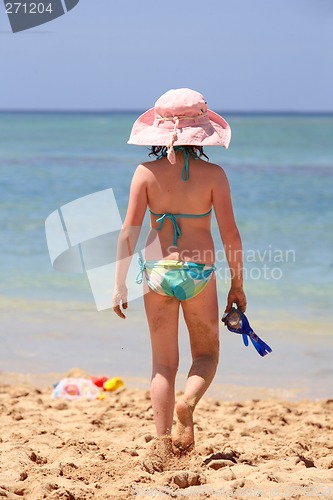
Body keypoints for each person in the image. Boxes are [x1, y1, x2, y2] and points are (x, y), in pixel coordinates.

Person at [112, 88, 246, 456]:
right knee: (206, 354)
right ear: (201, 131)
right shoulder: (215, 175)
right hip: (199, 271)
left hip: (156, 271)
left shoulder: (144, 173)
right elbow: (230, 234)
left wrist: (118, 284)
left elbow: (129, 231)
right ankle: (188, 403)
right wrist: (237, 283)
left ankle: (161, 442)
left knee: (162, 364)